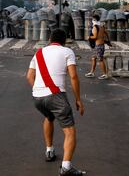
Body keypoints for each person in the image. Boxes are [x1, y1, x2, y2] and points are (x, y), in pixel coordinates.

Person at [26, 29, 85, 176]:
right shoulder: (67, 51)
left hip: (37, 97)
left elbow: (29, 76)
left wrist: (39, 90)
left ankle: (49, 150)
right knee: (70, 131)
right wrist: (78, 99)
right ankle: (66, 168)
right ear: (64, 41)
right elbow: (73, 77)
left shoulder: (38, 53)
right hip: (55, 95)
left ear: (50, 39)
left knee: (49, 117)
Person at [85, 14, 108, 80]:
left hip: (98, 46)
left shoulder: (95, 27)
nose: (92, 21)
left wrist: (89, 37)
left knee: (100, 60)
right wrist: (107, 41)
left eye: (92, 19)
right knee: (93, 58)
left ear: (94, 19)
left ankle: (105, 74)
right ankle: (92, 72)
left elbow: (95, 37)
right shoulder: (102, 26)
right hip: (101, 45)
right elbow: (106, 33)